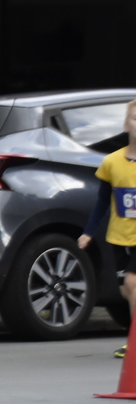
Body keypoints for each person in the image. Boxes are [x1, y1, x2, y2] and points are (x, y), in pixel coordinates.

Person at [77, 98, 136, 360]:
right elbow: (102, 201)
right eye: (135, 118)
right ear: (126, 124)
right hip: (118, 235)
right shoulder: (112, 162)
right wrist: (89, 231)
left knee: (133, 283)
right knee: (126, 290)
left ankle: (133, 343)